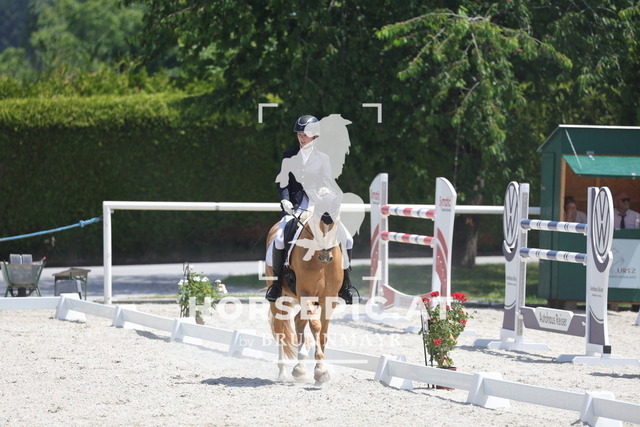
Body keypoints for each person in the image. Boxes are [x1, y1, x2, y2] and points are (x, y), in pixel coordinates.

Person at [265, 114, 358, 303]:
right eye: (299, 134)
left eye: (305, 134)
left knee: (347, 238)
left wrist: (326, 191)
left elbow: (327, 182)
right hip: (295, 208)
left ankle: (345, 285)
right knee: (280, 239)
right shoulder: (288, 156)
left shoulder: (323, 158)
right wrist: (285, 200)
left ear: (315, 135)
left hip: (318, 207)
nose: (301, 137)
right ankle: (276, 284)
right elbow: (282, 182)